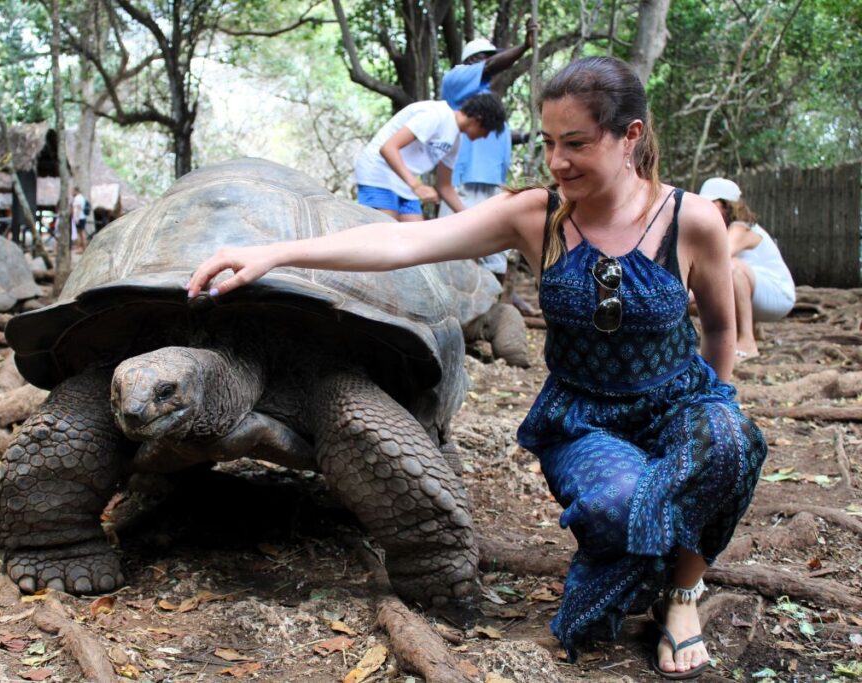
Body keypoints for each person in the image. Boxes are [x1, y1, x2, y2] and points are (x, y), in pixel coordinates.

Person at [188, 56, 766, 679]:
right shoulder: (535, 215)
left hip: (679, 398)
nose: (556, 161)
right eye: (547, 142)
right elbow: (403, 243)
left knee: (728, 445)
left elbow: (721, 328)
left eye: (575, 143)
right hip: (585, 417)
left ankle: (681, 597)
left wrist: (715, 411)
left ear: (630, 136)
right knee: (617, 506)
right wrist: (276, 252)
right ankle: (641, 560)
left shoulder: (693, 219)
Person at [439, 23, 536, 273]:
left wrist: (529, 136)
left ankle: (494, 302)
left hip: (492, 180)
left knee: (495, 247)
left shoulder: (486, 96)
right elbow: (494, 65)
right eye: (488, 58)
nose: (494, 63)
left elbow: (498, 137)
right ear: (474, 60)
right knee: (451, 243)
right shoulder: (457, 79)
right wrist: (525, 47)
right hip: (464, 178)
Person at [353, 93, 507, 222]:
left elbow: (444, 186)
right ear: (478, 120)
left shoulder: (455, 140)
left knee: (415, 241)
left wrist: (471, 218)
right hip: (378, 172)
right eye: (488, 131)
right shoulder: (436, 115)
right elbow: (388, 148)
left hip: (404, 184)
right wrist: (416, 186)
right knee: (384, 233)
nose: (486, 137)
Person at [698, 177, 795, 359]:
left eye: (711, 204)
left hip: (779, 296)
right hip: (758, 295)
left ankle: (747, 342)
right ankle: (753, 330)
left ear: (727, 206)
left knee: (733, 268)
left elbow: (718, 261)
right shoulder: (720, 232)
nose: (705, 209)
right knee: (692, 297)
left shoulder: (741, 229)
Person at [70, 186, 89, 251]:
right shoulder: (81, 197)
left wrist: (76, 218)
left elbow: (78, 208)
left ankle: (81, 248)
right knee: (81, 233)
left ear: (76, 191)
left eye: (72, 191)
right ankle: (83, 248)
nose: (71, 192)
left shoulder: (77, 198)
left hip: (79, 217)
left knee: (80, 233)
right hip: (82, 217)